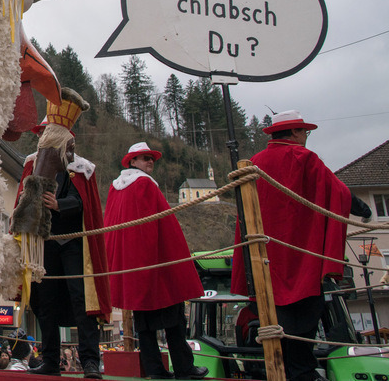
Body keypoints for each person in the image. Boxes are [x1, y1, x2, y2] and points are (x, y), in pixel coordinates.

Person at [231, 110, 356, 381]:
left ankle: (283, 371)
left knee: (276, 321)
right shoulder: (306, 158)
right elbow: (339, 193)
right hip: (302, 261)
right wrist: (360, 208)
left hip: (265, 262)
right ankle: (302, 372)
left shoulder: (254, 163)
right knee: (305, 322)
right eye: (305, 133)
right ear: (296, 133)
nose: (306, 138)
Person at [16, 89, 110, 378]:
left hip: (73, 245)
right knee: (46, 302)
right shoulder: (32, 163)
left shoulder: (82, 169)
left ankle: (91, 362)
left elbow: (85, 205)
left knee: (82, 302)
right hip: (43, 245)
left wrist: (61, 203)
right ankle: (50, 360)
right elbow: (22, 199)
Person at [103, 142, 209, 380]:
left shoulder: (115, 188)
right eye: (144, 158)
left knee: (144, 324)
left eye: (151, 158)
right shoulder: (145, 185)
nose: (150, 161)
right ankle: (184, 368)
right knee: (173, 319)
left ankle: (154, 370)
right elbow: (163, 228)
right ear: (132, 161)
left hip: (132, 266)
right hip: (155, 264)